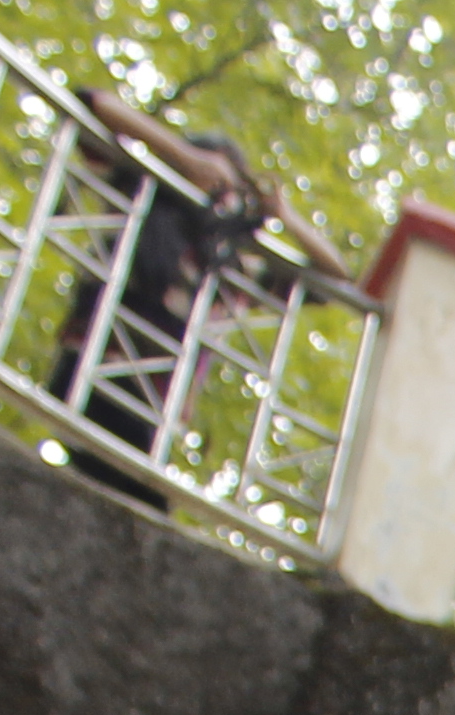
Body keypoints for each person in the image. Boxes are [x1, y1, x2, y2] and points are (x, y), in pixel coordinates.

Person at [43, 90, 274, 507]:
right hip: (94, 372)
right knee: (139, 507)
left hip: (152, 410)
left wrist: (283, 215)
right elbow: (93, 102)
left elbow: (336, 278)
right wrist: (183, 159)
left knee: (124, 502)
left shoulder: (234, 265)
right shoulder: (142, 196)